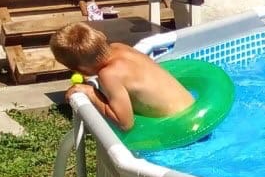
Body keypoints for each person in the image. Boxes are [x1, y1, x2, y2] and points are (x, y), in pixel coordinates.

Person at [50, 21, 194, 131]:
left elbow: (125, 123)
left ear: (79, 70)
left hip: (181, 125)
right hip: (192, 108)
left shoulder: (109, 75)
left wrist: (91, 92)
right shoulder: (119, 47)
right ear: (101, 36)